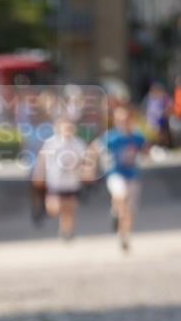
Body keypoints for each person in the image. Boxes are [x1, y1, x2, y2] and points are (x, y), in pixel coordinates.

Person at [94, 106, 148, 252]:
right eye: (120, 120)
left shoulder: (137, 136)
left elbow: (145, 150)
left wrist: (145, 151)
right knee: (121, 196)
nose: (123, 122)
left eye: (126, 119)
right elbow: (95, 148)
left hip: (132, 175)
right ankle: (116, 212)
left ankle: (124, 235)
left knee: (129, 210)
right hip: (115, 173)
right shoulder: (111, 136)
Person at [34, 116, 88, 240]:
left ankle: (67, 230)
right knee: (56, 208)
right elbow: (42, 160)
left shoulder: (78, 143)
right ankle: (62, 224)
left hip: (72, 181)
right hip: (55, 181)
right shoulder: (51, 143)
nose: (68, 131)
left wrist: (82, 169)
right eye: (65, 128)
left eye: (70, 128)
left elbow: (85, 160)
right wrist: (39, 174)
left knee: (70, 208)